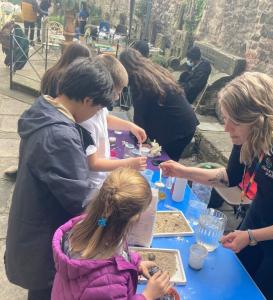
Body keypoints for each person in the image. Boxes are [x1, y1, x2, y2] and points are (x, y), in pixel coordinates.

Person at [161, 72, 273, 299]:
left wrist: (253, 236)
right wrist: (183, 171)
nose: (226, 128)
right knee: (232, 279)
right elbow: (230, 176)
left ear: (258, 118)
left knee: (252, 293)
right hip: (256, 219)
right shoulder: (247, 135)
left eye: (233, 121)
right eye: (224, 118)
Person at [5, 57, 115, 300]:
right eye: (96, 109)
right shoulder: (60, 136)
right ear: (87, 100)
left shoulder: (44, 110)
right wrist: (107, 220)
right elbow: (78, 198)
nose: (95, 115)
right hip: (42, 239)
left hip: (31, 226)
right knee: (44, 292)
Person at [52, 168, 171, 300]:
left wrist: (135, 264)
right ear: (132, 220)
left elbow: (118, 254)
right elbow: (106, 283)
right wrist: (147, 296)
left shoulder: (95, 225)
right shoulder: (109, 282)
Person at [80, 54, 147, 188]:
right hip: (93, 185)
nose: (119, 96)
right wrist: (128, 164)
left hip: (102, 177)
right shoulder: (86, 119)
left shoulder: (98, 107)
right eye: (118, 91)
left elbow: (106, 118)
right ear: (105, 87)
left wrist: (130, 126)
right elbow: (93, 164)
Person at [119, 48, 199, 161]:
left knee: (164, 163)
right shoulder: (153, 69)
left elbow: (140, 114)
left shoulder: (138, 79)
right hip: (187, 122)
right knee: (168, 160)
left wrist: (138, 140)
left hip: (176, 128)